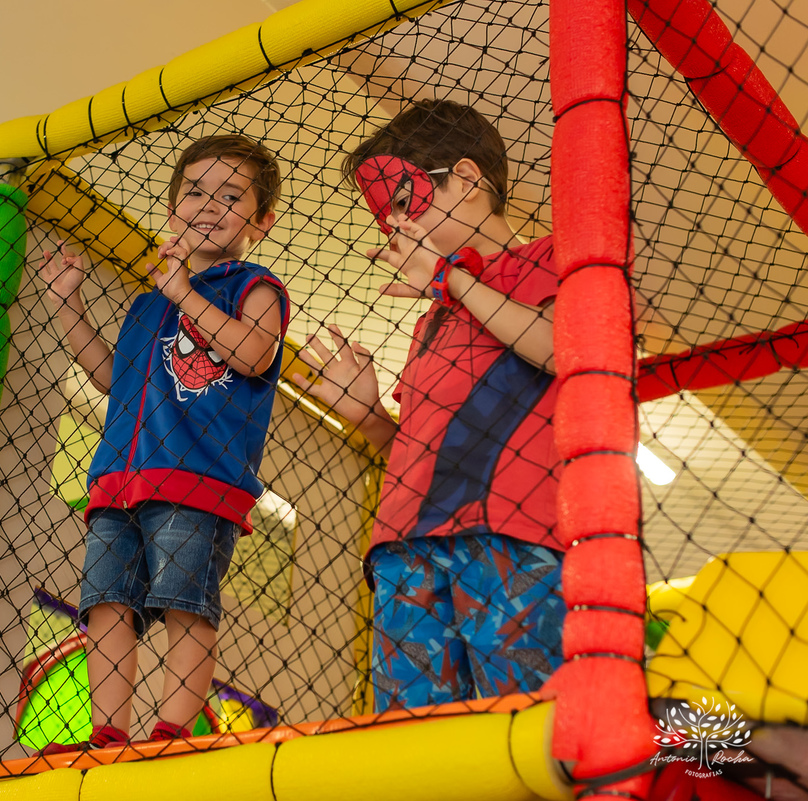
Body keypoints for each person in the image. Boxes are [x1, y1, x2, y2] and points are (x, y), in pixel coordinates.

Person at [294, 99, 565, 711]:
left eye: (403, 202)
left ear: (466, 181)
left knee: (528, 727)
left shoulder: (556, 257)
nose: (392, 228)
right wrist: (365, 413)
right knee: (415, 743)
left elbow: (563, 350)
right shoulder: (432, 322)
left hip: (511, 534)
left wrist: (454, 280)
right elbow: (414, 454)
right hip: (405, 549)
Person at [39, 134, 288, 751]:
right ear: (174, 206)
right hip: (120, 476)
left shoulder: (252, 286)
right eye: (194, 191)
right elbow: (111, 379)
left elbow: (253, 355)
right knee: (105, 602)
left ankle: (173, 730)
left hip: (196, 479)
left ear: (261, 221)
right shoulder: (148, 304)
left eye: (230, 196)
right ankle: (107, 731)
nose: (208, 204)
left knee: (185, 603)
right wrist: (67, 305)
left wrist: (183, 291)